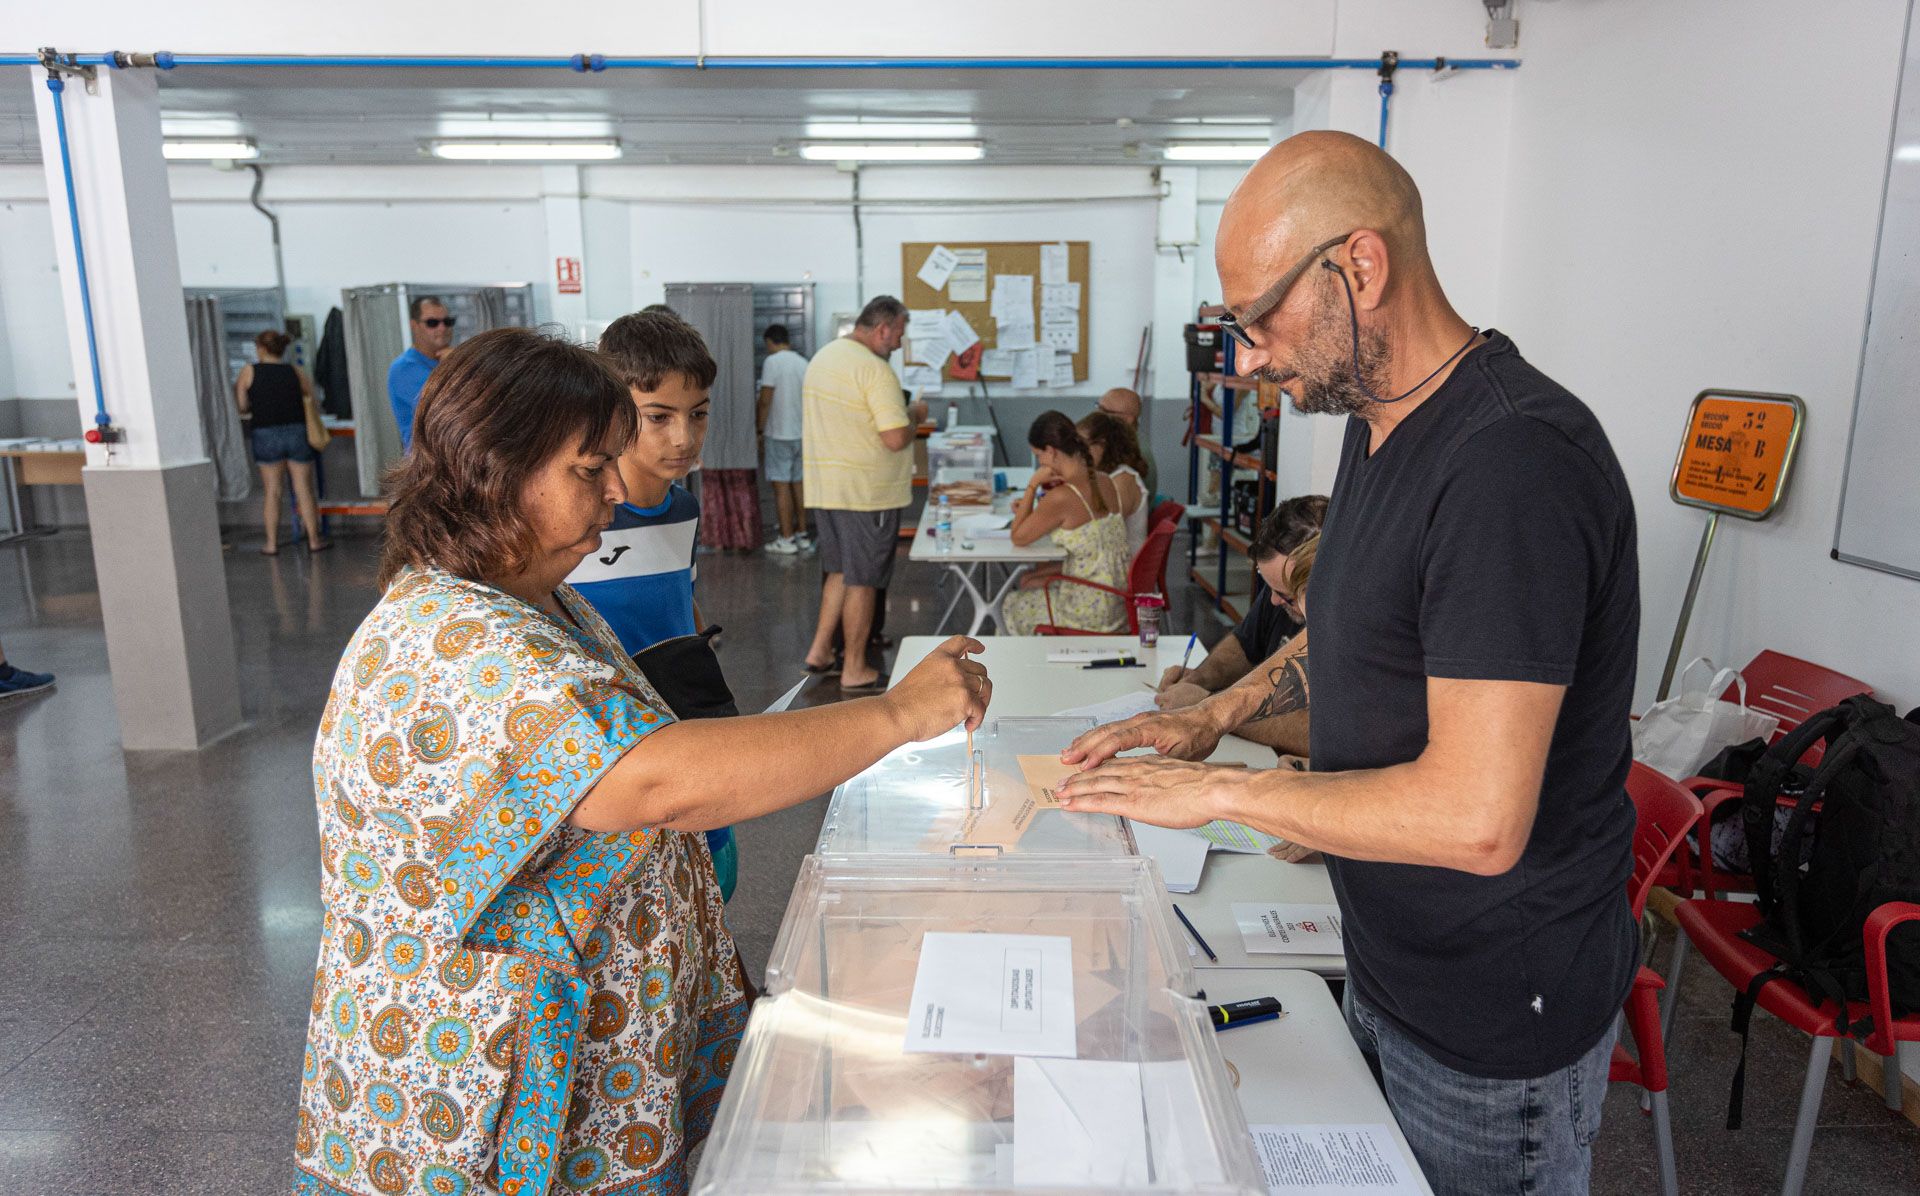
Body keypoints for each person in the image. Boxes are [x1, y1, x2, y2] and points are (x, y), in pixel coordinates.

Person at [1055, 131, 1640, 1196]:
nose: (1247, 356)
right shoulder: (1380, 431)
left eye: (1261, 314)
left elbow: (1477, 816)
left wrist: (1218, 791)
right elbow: (1361, 640)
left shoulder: (1510, 464)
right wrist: (1212, 714)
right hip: (1384, 956)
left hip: (1491, 1012)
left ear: (1359, 266)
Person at [293, 326, 990, 1196]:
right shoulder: (452, 639)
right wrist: (893, 714)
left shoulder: (540, 603)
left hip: (577, 1075)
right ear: (489, 471)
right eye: (591, 470)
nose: (620, 493)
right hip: (478, 1097)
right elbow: (653, 781)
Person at [562, 310, 740, 901]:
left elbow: (682, 607)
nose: (683, 438)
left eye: (698, 413)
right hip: (614, 762)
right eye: (657, 417)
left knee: (716, 885)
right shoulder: (575, 522)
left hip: (686, 737)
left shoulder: (684, 509)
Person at [800, 296, 927, 692]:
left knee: (839, 571)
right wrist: (915, 417)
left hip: (827, 487)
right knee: (864, 580)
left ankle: (820, 651)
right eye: (899, 335)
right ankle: (855, 666)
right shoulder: (874, 370)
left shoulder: (824, 358)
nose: (899, 344)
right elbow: (893, 438)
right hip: (866, 493)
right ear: (883, 328)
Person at [1154, 494, 1325, 717]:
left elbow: (1310, 729)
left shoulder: (1341, 626)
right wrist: (1199, 677)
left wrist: (1211, 706)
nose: (1274, 600)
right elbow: (1244, 646)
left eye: (1286, 596)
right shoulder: (1279, 590)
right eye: (1268, 585)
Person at [1000, 411, 1129, 636]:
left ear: (1051, 451)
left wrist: (1032, 485)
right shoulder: (1106, 481)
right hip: (1118, 603)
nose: (1040, 463)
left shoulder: (1062, 496)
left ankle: (1022, 669)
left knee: (1013, 603)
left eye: (1039, 455)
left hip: (1087, 611)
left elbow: (1018, 537)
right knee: (1031, 582)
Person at [235, 329, 330, 555]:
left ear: (261, 348)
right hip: (296, 432)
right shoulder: (294, 371)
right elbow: (313, 399)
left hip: (265, 433)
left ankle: (271, 544)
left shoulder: (249, 371)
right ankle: (314, 540)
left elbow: (241, 405)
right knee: (304, 489)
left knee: (273, 491)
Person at [758, 324, 812, 555]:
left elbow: (766, 399)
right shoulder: (804, 363)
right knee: (798, 484)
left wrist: (759, 429)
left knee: (781, 487)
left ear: (770, 342)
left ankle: (786, 538)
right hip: (802, 434)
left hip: (779, 433)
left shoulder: (773, 362)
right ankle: (802, 534)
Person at [1075, 410, 1150, 560]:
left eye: (1081, 444)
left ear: (1102, 446)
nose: (1077, 452)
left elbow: (1102, 528)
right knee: (1040, 569)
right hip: (1106, 558)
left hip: (1118, 566)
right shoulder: (1104, 475)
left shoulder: (1123, 479)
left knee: (1032, 577)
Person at [386, 295, 452, 452]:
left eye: (447, 322)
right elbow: (448, 408)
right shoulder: (404, 369)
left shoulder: (443, 361)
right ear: (414, 325)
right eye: (432, 323)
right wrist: (455, 365)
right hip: (427, 466)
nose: (442, 328)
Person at [1094, 386, 1156, 499]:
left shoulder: (1129, 451)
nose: (1096, 415)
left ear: (1128, 419)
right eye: (1098, 407)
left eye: (1104, 411)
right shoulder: (1130, 441)